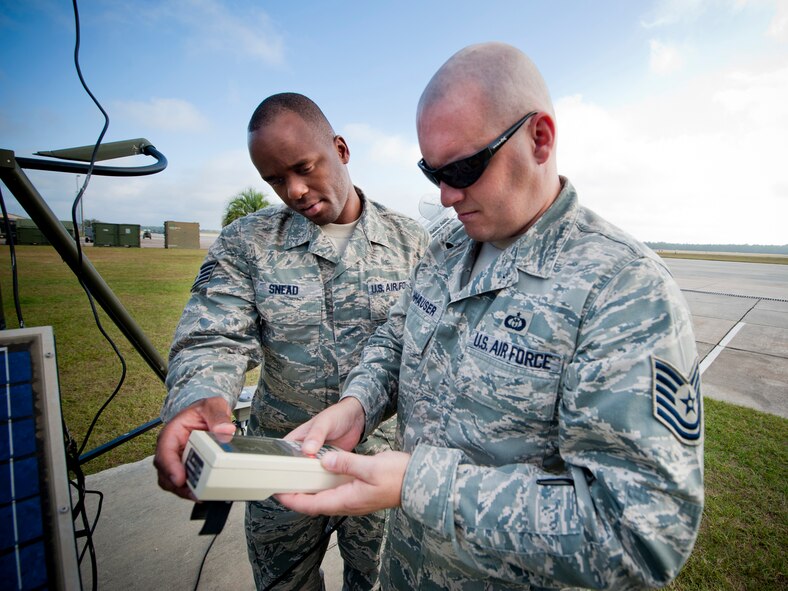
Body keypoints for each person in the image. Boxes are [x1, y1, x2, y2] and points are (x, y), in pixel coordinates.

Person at [278, 43, 704, 590]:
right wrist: (358, 403)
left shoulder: (623, 290)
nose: (447, 194)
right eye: (432, 171)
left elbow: (640, 536)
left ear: (540, 139)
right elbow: (398, 335)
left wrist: (419, 485)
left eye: (463, 167)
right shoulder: (447, 247)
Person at [153, 92, 429, 590]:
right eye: (275, 180)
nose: (295, 190)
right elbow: (213, 332)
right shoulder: (248, 241)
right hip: (278, 460)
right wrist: (200, 394)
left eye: (304, 167)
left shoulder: (415, 243)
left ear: (341, 150)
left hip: (375, 467)